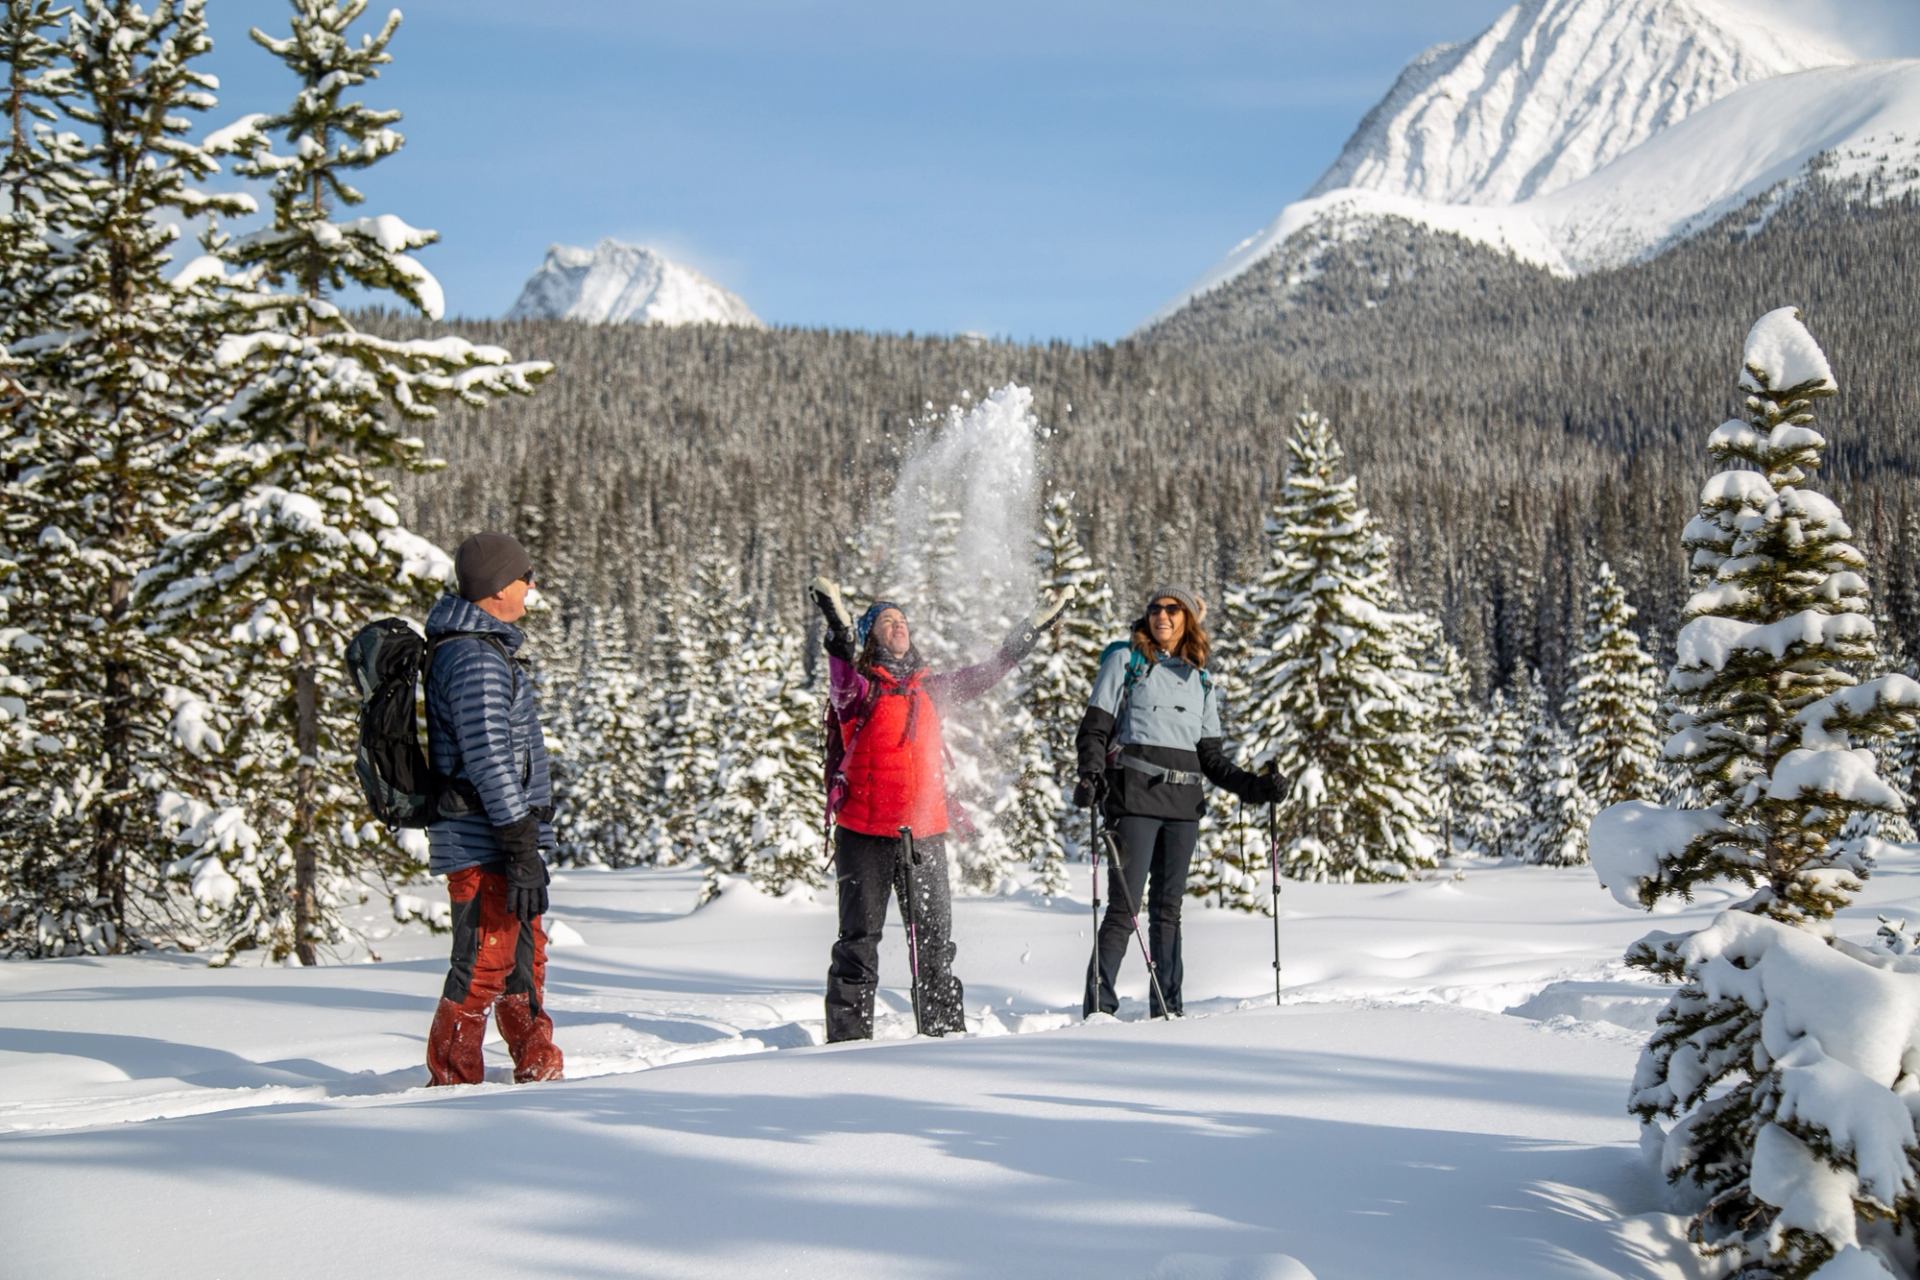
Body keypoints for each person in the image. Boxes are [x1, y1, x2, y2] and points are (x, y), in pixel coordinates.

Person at [808, 577, 1066, 1041]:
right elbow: (840, 672)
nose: (898, 625)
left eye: (903, 620)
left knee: (933, 945)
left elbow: (988, 672)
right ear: (869, 636)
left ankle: (944, 1039)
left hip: (924, 834)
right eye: (886, 621)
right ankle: (846, 1046)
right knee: (858, 944)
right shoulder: (859, 691)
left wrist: (1032, 628)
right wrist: (837, 624)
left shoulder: (932, 689)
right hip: (864, 834)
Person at [1074, 586, 1283, 1018]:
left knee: (1168, 912)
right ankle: (1098, 1009)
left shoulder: (1200, 679)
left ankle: (1169, 1010)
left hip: (1183, 807)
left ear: (1188, 619)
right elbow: (1095, 727)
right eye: (1155, 608)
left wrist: (1255, 788)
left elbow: (1211, 759)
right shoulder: (1125, 661)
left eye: (1172, 609)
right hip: (1133, 801)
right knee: (1124, 909)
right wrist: (1091, 775)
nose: (1162, 616)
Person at [421, 532, 564, 1085]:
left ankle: (537, 1063)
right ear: (497, 586)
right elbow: (487, 758)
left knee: (525, 960)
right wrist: (519, 843)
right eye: (524, 577)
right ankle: (453, 1081)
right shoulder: (474, 658)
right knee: (484, 963)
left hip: (503, 838)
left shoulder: (483, 649)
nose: (531, 586)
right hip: (485, 842)